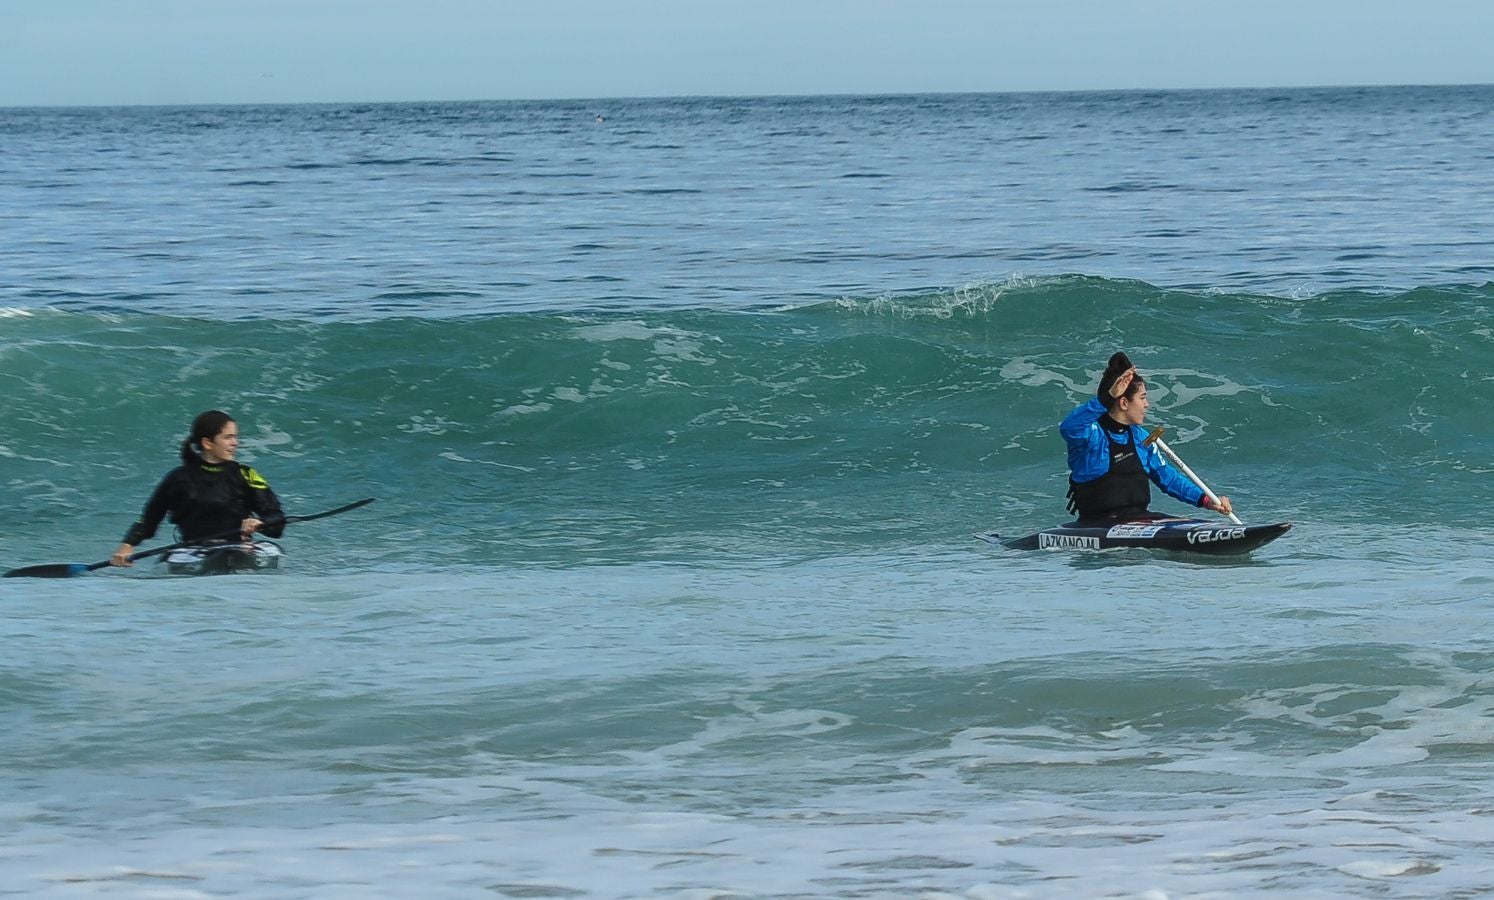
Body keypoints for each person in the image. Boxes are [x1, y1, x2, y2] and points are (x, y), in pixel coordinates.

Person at [1060, 352, 1233, 523]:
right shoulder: (1092, 434)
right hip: (1098, 524)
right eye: (1142, 398)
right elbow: (1069, 427)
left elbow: (1168, 478)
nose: (1147, 404)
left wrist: (1206, 501)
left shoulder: (1140, 437)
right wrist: (1108, 397)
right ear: (1124, 403)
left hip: (1140, 520)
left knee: (1200, 526)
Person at [110, 410, 284, 567]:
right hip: (193, 552)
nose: (235, 443)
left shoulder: (246, 474)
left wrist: (261, 523)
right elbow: (148, 520)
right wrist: (127, 546)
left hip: (238, 548)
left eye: (235, 437)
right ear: (207, 443)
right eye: (228, 437)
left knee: (269, 549)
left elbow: (277, 521)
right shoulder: (178, 478)